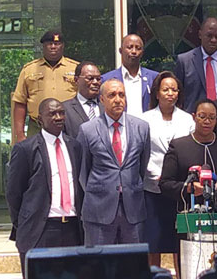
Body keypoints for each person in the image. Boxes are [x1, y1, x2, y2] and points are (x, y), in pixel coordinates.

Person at [6, 98, 83, 273]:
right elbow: (13, 193)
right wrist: (24, 222)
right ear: (40, 119)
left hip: (72, 228)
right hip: (41, 229)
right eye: (52, 114)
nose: (58, 117)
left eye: (61, 113)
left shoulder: (75, 146)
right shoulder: (25, 149)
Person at [77, 78, 150, 246]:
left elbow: (142, 166)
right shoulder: (87, 130)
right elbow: (82, 172)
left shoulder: (142, 127)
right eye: (112, 95)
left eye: (121, 95)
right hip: (98, 210)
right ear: (101, 99)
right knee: (99, 266)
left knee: (132, 266)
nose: (118, 99)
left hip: (133, 209)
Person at [140, 71, 194, 273]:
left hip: (179, 190)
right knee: (153, 242)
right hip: (152, 188)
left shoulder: (188, 119)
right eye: (165, 89)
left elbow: (191, 153)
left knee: (179, 243)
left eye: (174, 89)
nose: (170, 93)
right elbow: (142, 153)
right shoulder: (144, 120)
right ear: (157, 93)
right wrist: (156, 174)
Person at [160, 99, 217, 208]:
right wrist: (189, 188)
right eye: (202, 116)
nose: (207, 121)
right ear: (194, 117)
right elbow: (165, 184)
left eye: (212, 117)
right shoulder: (178, 146)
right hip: (189, 212)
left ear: (216, 119)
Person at [12, 31, 78, 143]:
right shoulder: (29, 69)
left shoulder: (75, 68)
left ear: (63, 46)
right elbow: (20, 103)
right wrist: (20, 135)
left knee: (69, 157)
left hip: (68, 126)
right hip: (38, 126)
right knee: (36, 158)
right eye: (49, 44)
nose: (53, 47)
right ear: (43, 46)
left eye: (57, 44)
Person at [174, 17, 217, 112]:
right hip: (194, 118)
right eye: (209, 36)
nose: (213, 40)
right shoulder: (185, 61)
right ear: (200, 34)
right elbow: (178, 94)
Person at [101, 34, 158, 117]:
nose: (134, 51)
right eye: (129, 47)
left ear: (142, 53)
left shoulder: (154, 78)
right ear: (120, 51)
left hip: (148, 127)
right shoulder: (106, 79)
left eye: (138, 48)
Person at [63, 61, 103, 138]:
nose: (95, 82)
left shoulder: (107, 106)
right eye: (90, 78)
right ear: (76, 80)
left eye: (98, 79)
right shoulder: (65, 110)